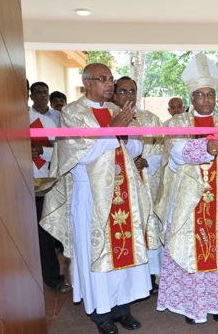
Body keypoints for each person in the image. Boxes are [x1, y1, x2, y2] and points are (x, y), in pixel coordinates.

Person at [41, 63, 152, 334]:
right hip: (89, 193)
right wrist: (113, 131)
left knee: (122, 251)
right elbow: (79, 155)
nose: (109, 84)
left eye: (111, 79)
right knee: (96, 251)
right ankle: (100, 313)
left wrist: (125, 134)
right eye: (102, 79)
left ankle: (122, 309)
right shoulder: (72, 113)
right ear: (87, 82)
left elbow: (134, 148)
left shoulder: (116, 110)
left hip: (121, 191)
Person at [154, 52, 218, 324]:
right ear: (191, 97)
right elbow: (174, 154)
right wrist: (203, 147)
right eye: (200, 94)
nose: (206, 99)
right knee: (189, 251)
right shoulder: (177, 123)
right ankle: (191, 306)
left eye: (211, 94)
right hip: (188, 200)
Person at [114, 76, 164, 295]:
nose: (128, 95)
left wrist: (146, 161)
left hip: (146, 180)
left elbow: (166, 150)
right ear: (115, 94)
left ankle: (151, 276)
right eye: (123, 91)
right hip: (118, 184)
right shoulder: (110, 118)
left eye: (132, 91)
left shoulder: (151, 119)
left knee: (148, 226)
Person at [30, 103, 72, 295]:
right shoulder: (1, 121)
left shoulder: (45, 122)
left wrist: (41, 150)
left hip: (40, 186)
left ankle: (54, 278)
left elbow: (62, 150)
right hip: (8, 187)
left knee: (44, 235)